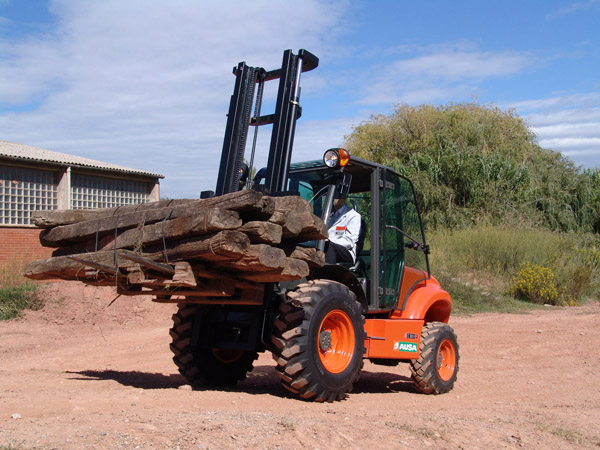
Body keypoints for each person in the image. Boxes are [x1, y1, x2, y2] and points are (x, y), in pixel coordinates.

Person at [325, 197, 361, 264]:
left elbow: (349, 241)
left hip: (346, 252)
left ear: (343, 197)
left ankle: (327, 273)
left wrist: (329, 241)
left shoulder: (353, 216)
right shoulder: (327, 215)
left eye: (336, 196)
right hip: (327, 246)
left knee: (330, 246)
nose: (333, 198)